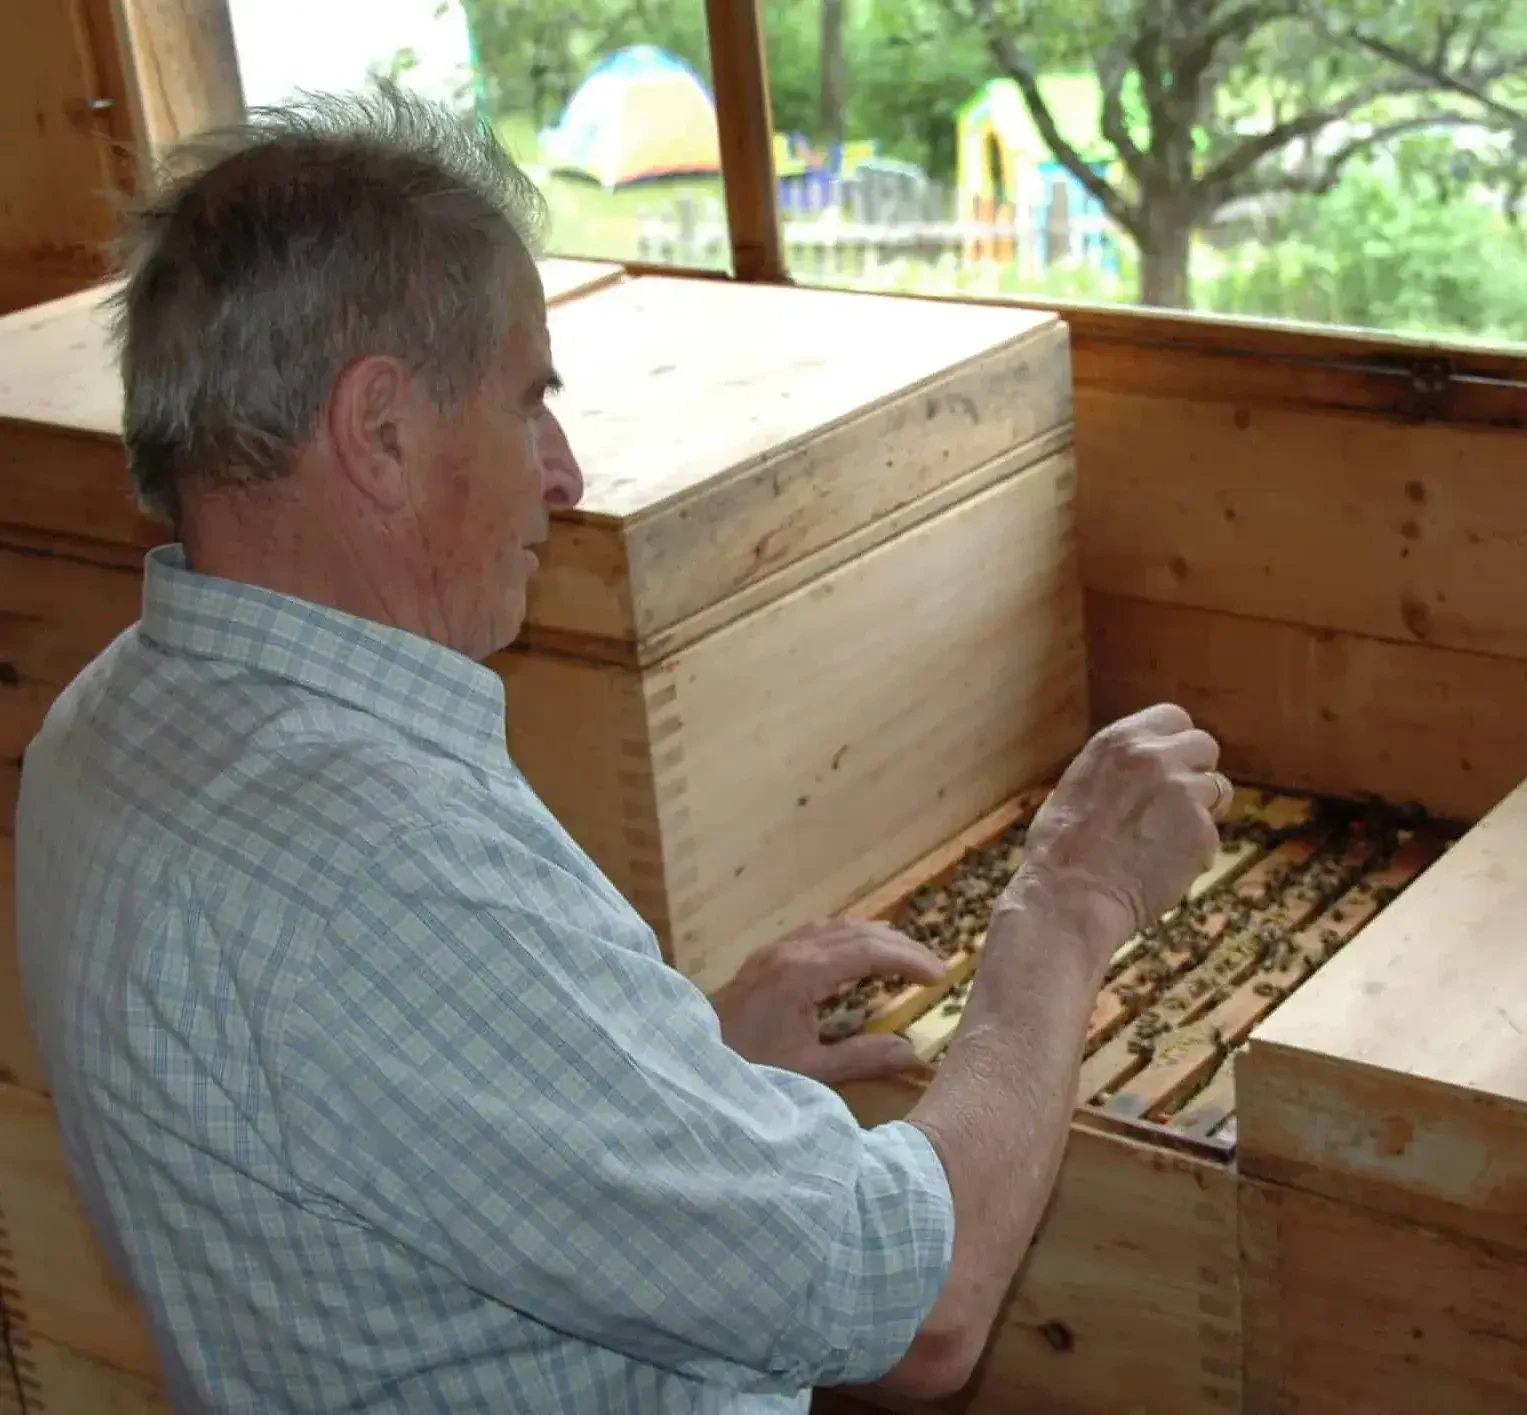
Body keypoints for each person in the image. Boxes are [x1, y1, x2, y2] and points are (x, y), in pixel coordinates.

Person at [12, 87, 1233, 1413]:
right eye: (527, 400)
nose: (564, 469)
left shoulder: (108, 722)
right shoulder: (379, 866)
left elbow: (382, 1139)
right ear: (379, 432)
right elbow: (917, 1309)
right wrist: (1065, 904)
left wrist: (671, 1085)